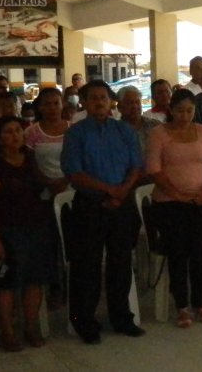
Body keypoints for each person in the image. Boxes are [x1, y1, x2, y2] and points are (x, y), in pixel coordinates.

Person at [60, 79, 145, 342]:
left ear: (111, 102)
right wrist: (111, 191)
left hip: (122, 205)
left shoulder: (124, 131)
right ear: (83, 103)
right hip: (90, 206)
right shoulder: (76, 133)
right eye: (93, 98)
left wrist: (121, 192)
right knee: (87, 266)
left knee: (121, 263)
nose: (99, 102)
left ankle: (122, 319)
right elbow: (74, 173)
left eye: (103, 98)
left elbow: (136, 167)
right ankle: (84, 322)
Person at [0, 116, 58, 351]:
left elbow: (42, 185)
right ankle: (7, 332)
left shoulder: (30, 159)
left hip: (35, 229)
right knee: (5, 284)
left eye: (18, 131)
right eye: (8, 132)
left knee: (35, 281)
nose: (15, 136)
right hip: (4, 233)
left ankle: (30, 327)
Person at [145, 88, 202, 328]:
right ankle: (181, 306)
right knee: (178, 255)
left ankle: (200, 303)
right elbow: (154, 169)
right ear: (171, 110)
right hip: (170, 205)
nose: (185, 115)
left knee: (200, 254)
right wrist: (176, 194)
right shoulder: (158, 134)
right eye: (180, 110)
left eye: (190, 110)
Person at [23, 87, 69, 190]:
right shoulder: (31, 132)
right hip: (42, 187)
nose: (52, 108)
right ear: (40, 107)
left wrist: (66, 180)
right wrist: (47, 182)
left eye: (56, 103)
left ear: (63, 105)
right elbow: (30, 162)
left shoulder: (74, 129)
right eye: (47, 104)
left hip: (72, 185)